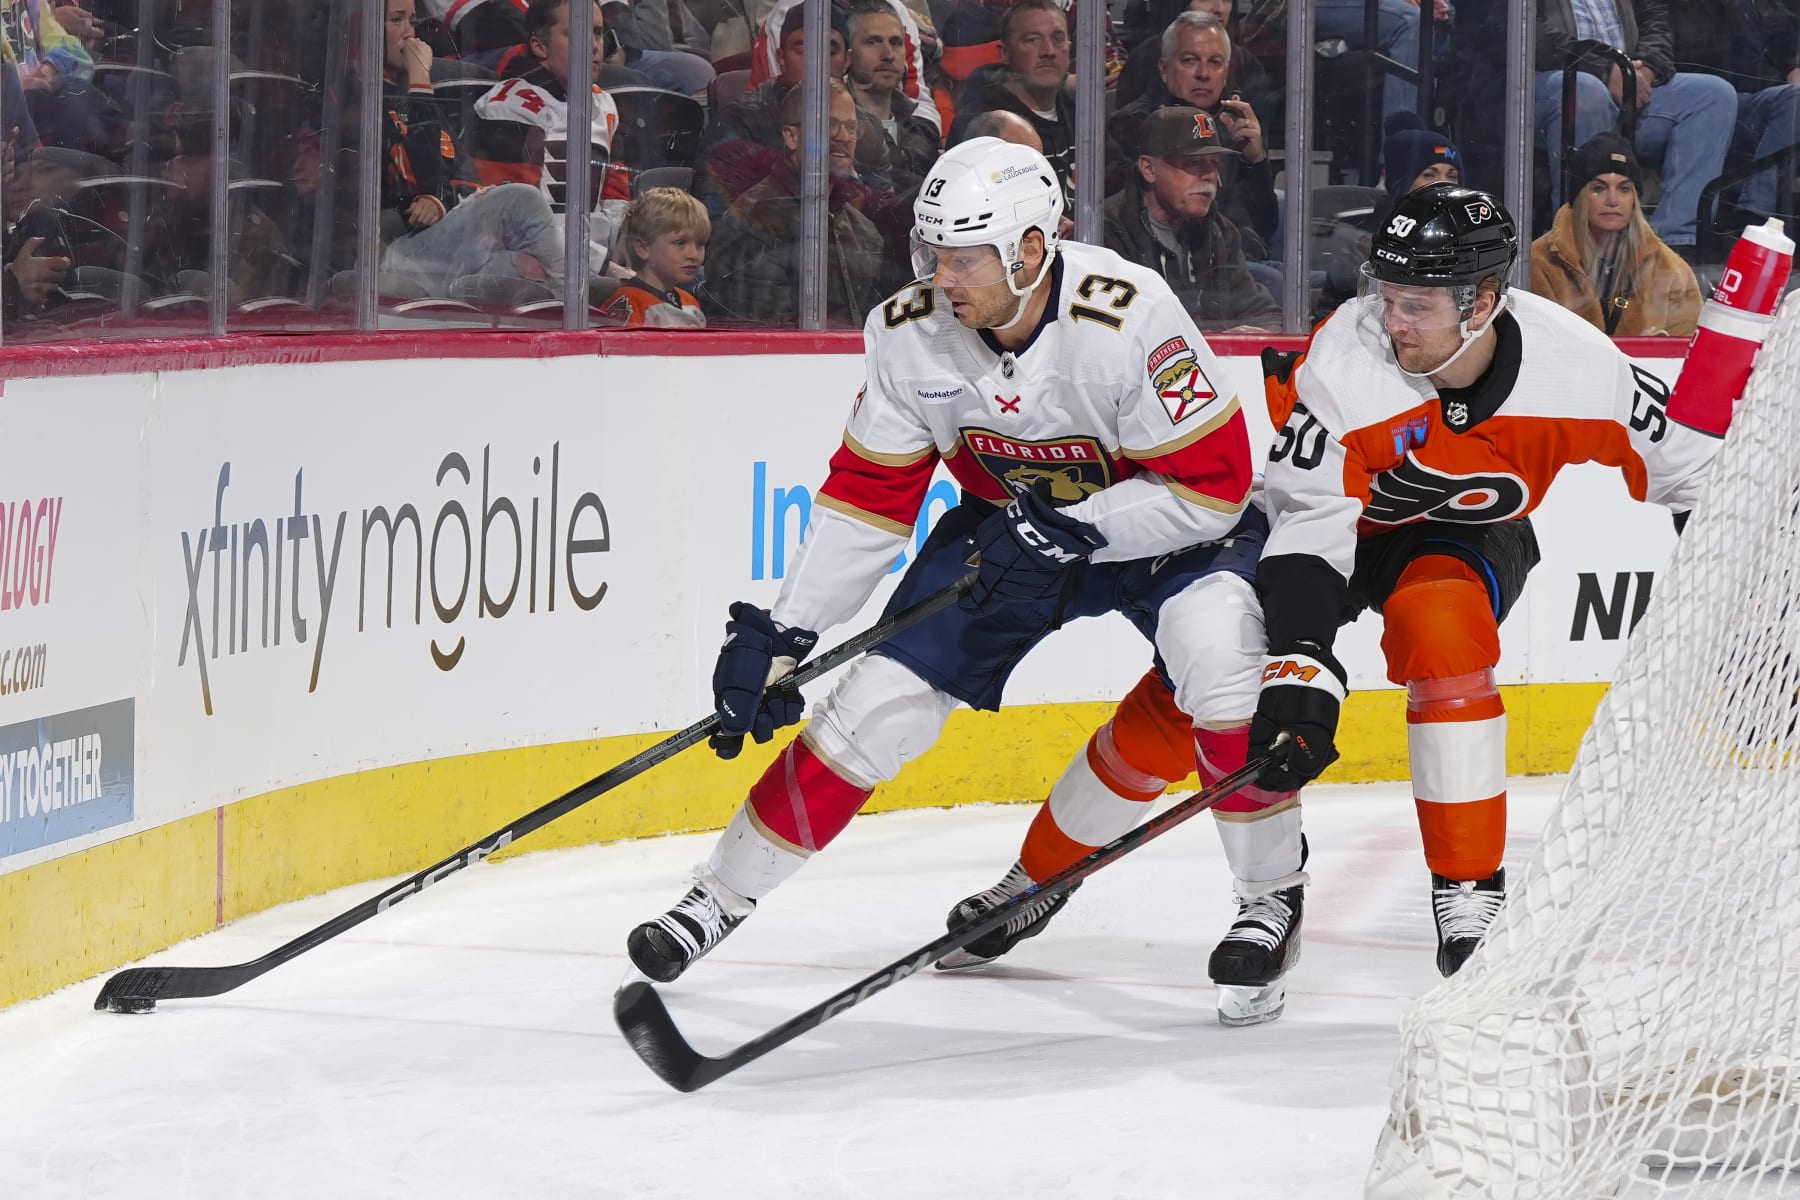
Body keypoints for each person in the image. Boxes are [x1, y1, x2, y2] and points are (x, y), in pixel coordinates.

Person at [952, 183, 1726, 1004]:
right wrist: (1303, 664)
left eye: (1418, 304)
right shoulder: (1347, 358)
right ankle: (1038, 877)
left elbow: (1693, 478)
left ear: (1485, 303)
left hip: (1458, 534)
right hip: (1316, 533)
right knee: (1197, 690)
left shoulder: (1582, 369)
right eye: (1386, 295)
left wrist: (1749, 605)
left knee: (1444, 628)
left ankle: (1468, 889)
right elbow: (1309, 524)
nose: (1393, 320)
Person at [625, 137, 1267, 988]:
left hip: (1168, 530)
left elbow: (1213, 486)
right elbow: (868, 496)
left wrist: (1074, 527)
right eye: (931, 253)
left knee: (1219, 663)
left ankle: (1266, 900)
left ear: (1032, 249)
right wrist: (787, 629)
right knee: (877, 709)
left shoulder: (1130, 312)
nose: (941, 277)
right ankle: (715, 899)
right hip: (1008, 530)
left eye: (964, 258)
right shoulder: (907, 332)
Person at [379, 0, 566, 303]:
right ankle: (573, 309)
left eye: (412, 21)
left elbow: (465, 176)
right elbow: (417, 179)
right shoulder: (360, 101)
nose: (409, 35)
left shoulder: (413, 96)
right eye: (397, 20)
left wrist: (439, 201)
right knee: (523, 199)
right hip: (396, 251)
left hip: (441, 240)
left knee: (513, 267)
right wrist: (420, 83)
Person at [1534, 0, 1737, 260]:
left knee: (1713, 95)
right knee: (1586, 91)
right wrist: (1605, 70)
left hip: (1627, 76)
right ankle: (1585, 249)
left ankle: (1670, 248)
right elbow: (1522, 34)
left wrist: (1647, 69)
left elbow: (1655, 16)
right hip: (1542, 81)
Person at [701, 80, 893, 326]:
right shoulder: (754, 222)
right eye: (829, 125)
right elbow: (758, 345)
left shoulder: (863, 231)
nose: (844, 137)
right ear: (791, 137)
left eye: (852, 127)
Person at [471, 0, 627, 271]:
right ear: (539, 46)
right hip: (535, 266)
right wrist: (602, 266)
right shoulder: (506, 106)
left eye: (598, 33)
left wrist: (624, 253)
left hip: (595, 264)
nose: (593, 45)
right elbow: (513, 225)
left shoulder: (606, 106)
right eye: (578, 32)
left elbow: (616, 201)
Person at [1108, 13, 1276, 260]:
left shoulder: (1232, 125)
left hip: (1239, 259)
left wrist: (1256, 161)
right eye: (1190, 60)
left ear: (1227, 72)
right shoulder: (1133, 126)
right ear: (1164, 69)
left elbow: (1266, 227)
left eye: (1215, 62)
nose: (1204, 74)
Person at [1103, 106, 1279, 332]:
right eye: (1193, 164)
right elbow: (1110, 332)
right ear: (1149, 169)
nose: (1209, 176)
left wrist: (1250, 335)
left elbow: (1265, 314)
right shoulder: (1109, 233)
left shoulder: (1219, 232)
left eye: (1214, 164)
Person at [1530, 132, 1699, 336]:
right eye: (1598, 188)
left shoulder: (1670, 269)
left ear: (1634, 199)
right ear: (1580, 198)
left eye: (1624, 189)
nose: (1612, 200)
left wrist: (1654, 352)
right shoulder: (1539, 262)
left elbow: (1689, 348)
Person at [1668, 0, 1800, 221]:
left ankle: (1757, 215)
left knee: (1796, 100)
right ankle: (1756, 219)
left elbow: (1785, 31)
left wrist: (1794, 65)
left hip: (1768, 97)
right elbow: (1696, 54)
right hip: (1714, 98)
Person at [948, 0, 1075, 199]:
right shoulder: (982, 124)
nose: (1049, 51)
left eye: (1058, 39)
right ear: (1005, 53)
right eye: (1033, 40)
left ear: (1069, 48)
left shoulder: (1084, 114)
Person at [844, 0, 942, 194]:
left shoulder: (922, 133)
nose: (888, 54)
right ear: (849, 55)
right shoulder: (840, 132)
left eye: (895, 42)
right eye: (872, 42)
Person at [600, 185, 707, 326]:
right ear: (643, 248)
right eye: (680, 243)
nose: (693, 254)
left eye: (700, 244)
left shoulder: (691, 302)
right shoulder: (630, 303)